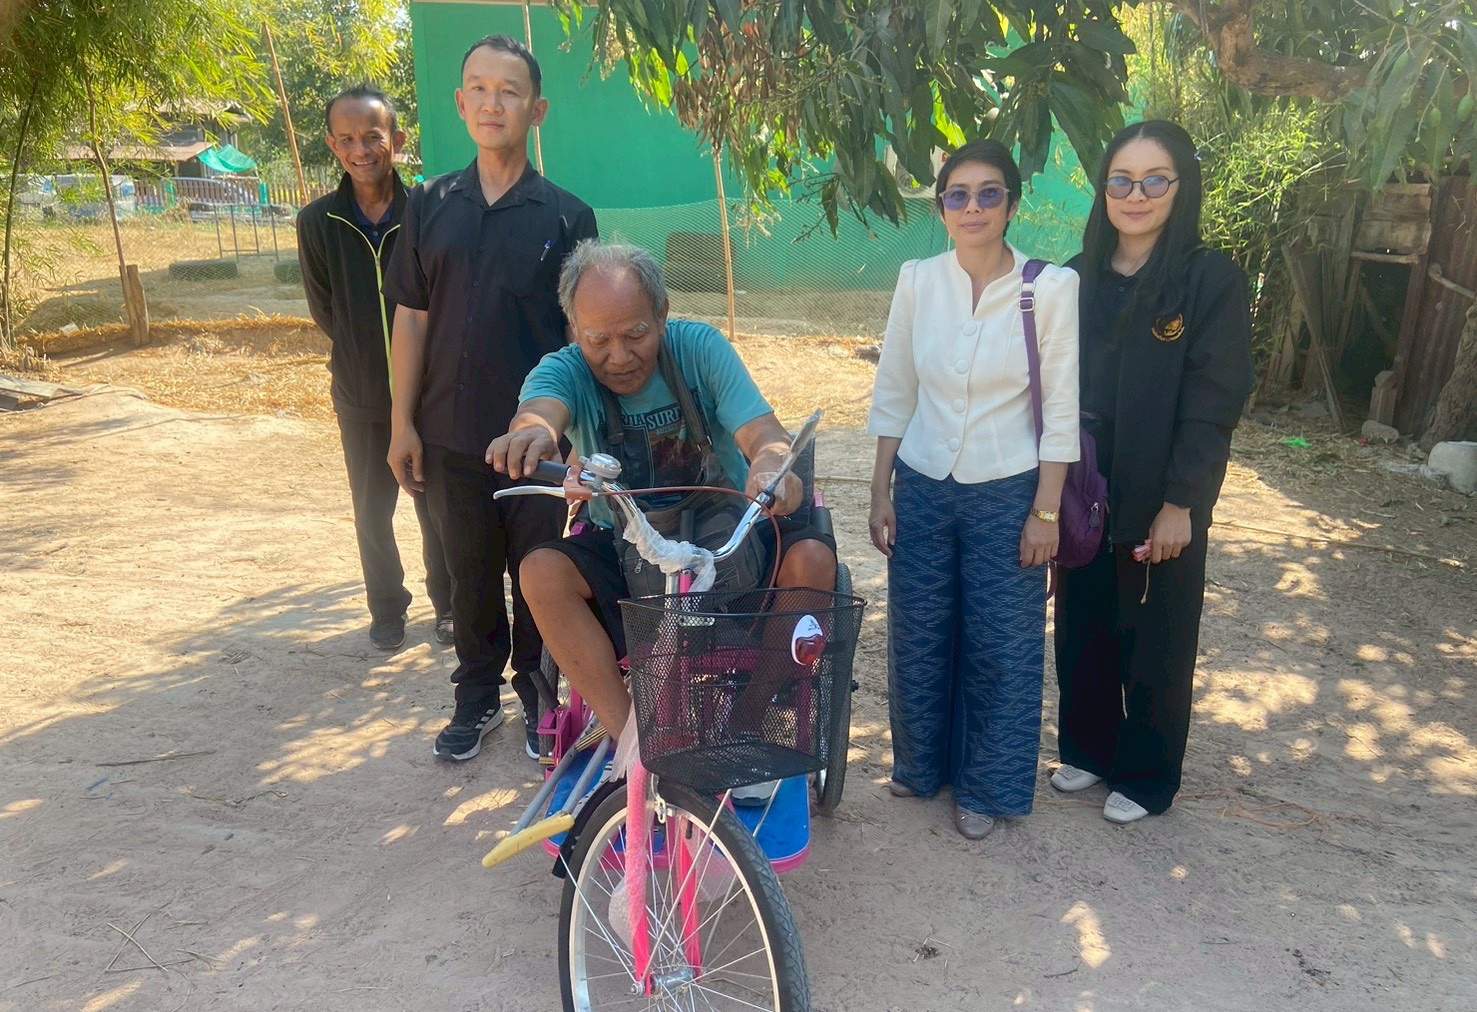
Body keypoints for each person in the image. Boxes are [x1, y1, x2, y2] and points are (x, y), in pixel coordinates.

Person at [489, 240, 838, 748]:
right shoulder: (564, 370)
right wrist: (533, 434)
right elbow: (540, 411)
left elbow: (765, 434)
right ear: (574, 330)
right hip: (627, 557)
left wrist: (769, 466)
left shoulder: (701, 350)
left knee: (814, 561)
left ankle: (746, 718)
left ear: (662, 315)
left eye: (636, 334)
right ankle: (636, 740)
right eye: (597, 339)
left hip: (733, 540)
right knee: (540, 572)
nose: (619, 357)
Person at [384, 36, 598, 762]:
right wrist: (401, 424)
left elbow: (580, 340)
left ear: (536, 110)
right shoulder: (428, 204)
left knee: (537, 571)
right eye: (478, 87)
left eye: (509, 90)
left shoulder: (567, 217)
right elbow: (412, 318)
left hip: (537, 443)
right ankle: (475, 697)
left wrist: (579, 444)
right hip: (448, 433)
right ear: (459, 103)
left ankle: (539, 697)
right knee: (468, 576)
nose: (491, 102)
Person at [867, 139, 1080, 840]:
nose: (973, 207)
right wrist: (880, 490)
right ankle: (920, 766)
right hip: (922, 482)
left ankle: (986, 788)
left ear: (1011, 205)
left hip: (1008, 489)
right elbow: (895, 389)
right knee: (919, 631)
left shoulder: (1050, 289)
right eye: (957, 194)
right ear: (941, 207)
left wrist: (1045, 511)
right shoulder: (917, 280)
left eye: (989, 193)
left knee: (1001, 643)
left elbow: (1060, 411)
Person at [1051, 120, 1254, 823]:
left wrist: (1182, 502)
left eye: (1153, 180)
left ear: (1179, 186)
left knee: (1157, 633)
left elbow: (1213, 401)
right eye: (1121, 181)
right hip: (1083, 487)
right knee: (1083, 620)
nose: (1135, 196)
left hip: (1160, 490)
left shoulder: (1209, 280)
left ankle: (1144, 776)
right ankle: (1087, 749)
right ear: (1104, 189)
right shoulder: (1073, 278)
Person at [297, 85, 451, 652]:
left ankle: (449, 605)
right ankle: (386, 609)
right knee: (371, 510)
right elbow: (325, 310)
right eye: (348, 139)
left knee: (437, 508)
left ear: (397, 140)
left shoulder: (429, 213)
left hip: (431, 395)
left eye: (372, 137)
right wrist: (365, 359)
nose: (361, 150)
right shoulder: (318, 222)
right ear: (333, 146)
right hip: (360, 397)